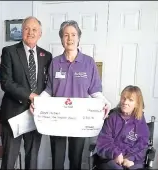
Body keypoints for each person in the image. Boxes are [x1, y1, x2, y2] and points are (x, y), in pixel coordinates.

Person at [30, 20, 111, 169]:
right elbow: (49, 89)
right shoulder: (55, 63)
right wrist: (38, 103)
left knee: (76, 160)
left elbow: (95, 90)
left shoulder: (88, 62)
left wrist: (105, 102)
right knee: (57, 160)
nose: (70, 38)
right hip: (58, 119)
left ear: (79, 38)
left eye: (73, 34)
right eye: (66, 35)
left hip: (79, 120)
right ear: (61, 39)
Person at [0, 16, 53, 169]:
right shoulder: (9, 52)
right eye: (27, 29)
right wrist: (30, 96)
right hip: (13, 114)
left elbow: (49, 85)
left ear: (40, 34)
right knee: (9, 158)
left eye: (34, 29)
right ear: (22, 31)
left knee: (32, 157)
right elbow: (6, 83)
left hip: (36, 114)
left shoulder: (47, 56)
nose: (30, 32)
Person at [96, 85, 150, 169]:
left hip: (133, 160)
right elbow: (104, 141)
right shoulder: (112, 117)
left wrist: (130, 159)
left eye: (130, 100)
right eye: (123, 98)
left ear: (137, 104)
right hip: (111, 158)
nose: (125, 102)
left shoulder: (141, 122)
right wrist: (116, 154)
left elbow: (142, 146)